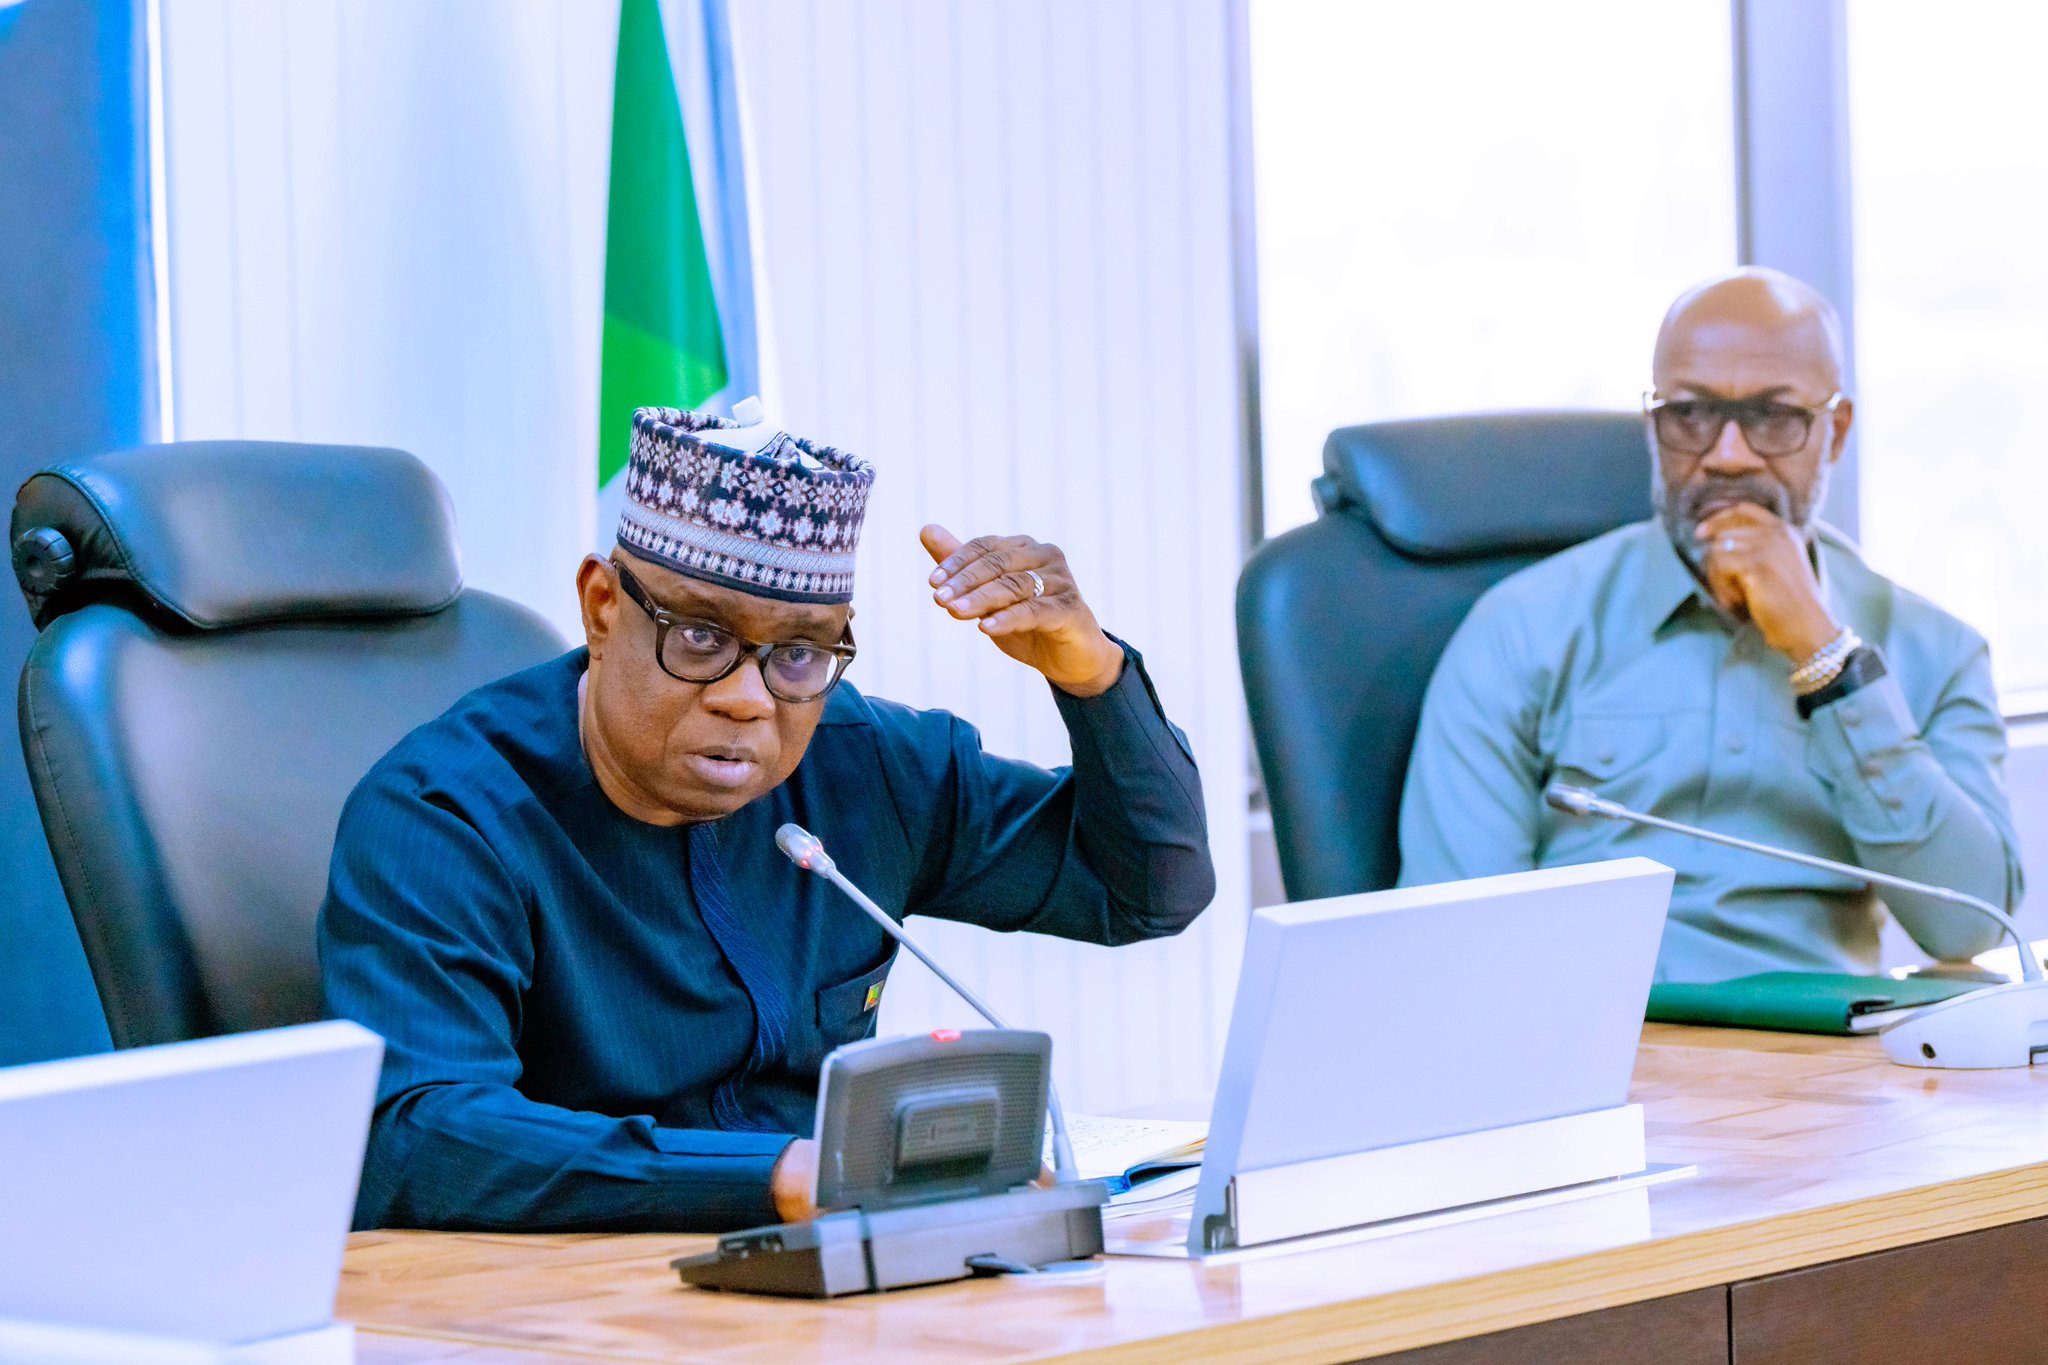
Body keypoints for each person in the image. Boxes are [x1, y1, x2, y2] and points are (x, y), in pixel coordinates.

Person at [319, 407, 1214, 1232]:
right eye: (701, 637)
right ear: (602, 609)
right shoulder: (446, 816)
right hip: (563, 1296)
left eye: (798, 653)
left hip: (837, 1269)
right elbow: (418, 1134)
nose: (748, 699)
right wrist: (779, 1175)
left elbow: (1146, 888)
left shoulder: (865, 763)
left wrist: (1091, 675)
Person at [1398, 268, 2022, 982]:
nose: (1727, 455)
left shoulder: (1934, 647)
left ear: (1835, 432)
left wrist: (1825, 656)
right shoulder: (1523, 629)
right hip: (1595, 1033)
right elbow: (1458, 939)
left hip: (1822, 1042)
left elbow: (1969, 924)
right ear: (1653, 426)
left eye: (1774, 416)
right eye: (1690, 415)